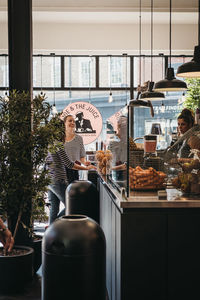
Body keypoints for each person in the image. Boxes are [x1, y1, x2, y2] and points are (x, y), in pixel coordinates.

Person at [47, 118, 96, 224]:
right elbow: (69, 164)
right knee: (72, 206)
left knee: (53, 209)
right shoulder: (58, 144)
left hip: (49, 181)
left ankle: (50, 234)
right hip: (59, 180)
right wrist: (86, 168)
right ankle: (56, 224)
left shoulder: (49, 143)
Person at [63, 115, 91, 183]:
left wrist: (85, 162)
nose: (72, 123)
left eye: (74, 121)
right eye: (70, 121)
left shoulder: (79, 139)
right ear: (64, 123)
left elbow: (81, 156)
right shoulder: (59, 138)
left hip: (74, 171)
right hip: (61, 171)